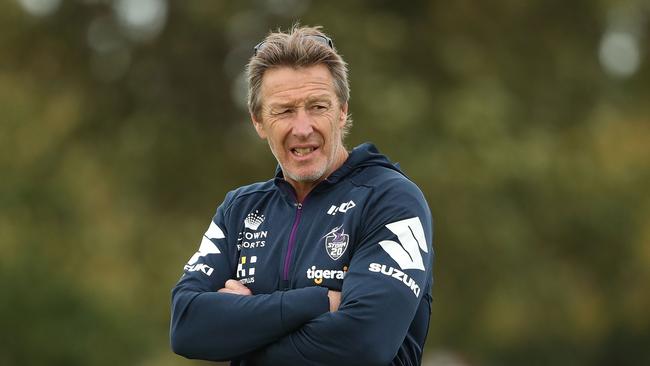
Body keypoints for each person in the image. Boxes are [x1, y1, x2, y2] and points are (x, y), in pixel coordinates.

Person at [170, 24, 434, 366]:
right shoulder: (239, 209)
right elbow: (187, 326)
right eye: (284, 110)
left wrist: (241, 334)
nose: (303, 127)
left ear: (342, 111)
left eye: (318, 107)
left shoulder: (392, 201)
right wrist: (319, 301)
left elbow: (364, 344)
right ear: (258, 122)